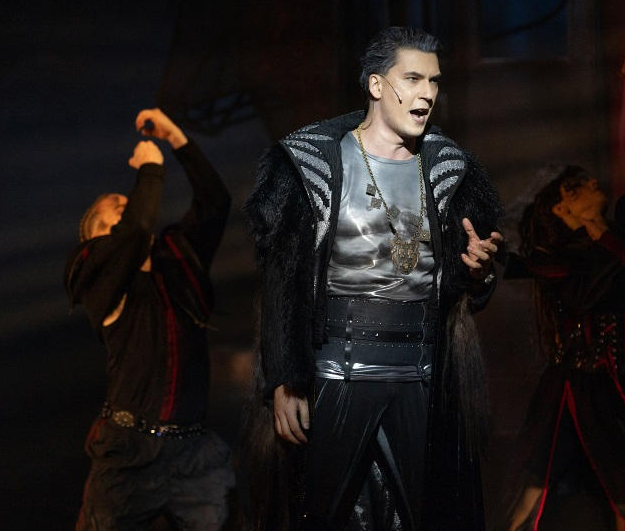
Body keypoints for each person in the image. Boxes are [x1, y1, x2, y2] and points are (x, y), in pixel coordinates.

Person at [243, 26, 505, 530]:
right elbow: (282, 281)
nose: (427, 93)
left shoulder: (451, 170)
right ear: (377, 84)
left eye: (434, 80)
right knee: (321, 513)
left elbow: (465, 289)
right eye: (413, 78)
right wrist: (285, 380)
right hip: (335, 368)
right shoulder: (312, 164)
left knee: (425, 515)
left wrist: (477, 274)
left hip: (423, 372)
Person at [504, 58, 625, 531]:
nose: (593, 183)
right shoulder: (566, 264)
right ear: (563, 209)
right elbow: (515, 266)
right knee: (528, 496)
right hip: (575, 389)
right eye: (576, 187)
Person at [63, 108, 237, 530]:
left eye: (126, 205)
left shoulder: (175, 261)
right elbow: (136, 229)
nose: (125, 209)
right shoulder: (97, 277)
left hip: (193, 453)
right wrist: (151, 168)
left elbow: (216, 202)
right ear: (97, 239)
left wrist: (176, 138)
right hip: (130, 453)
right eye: (113, 214)